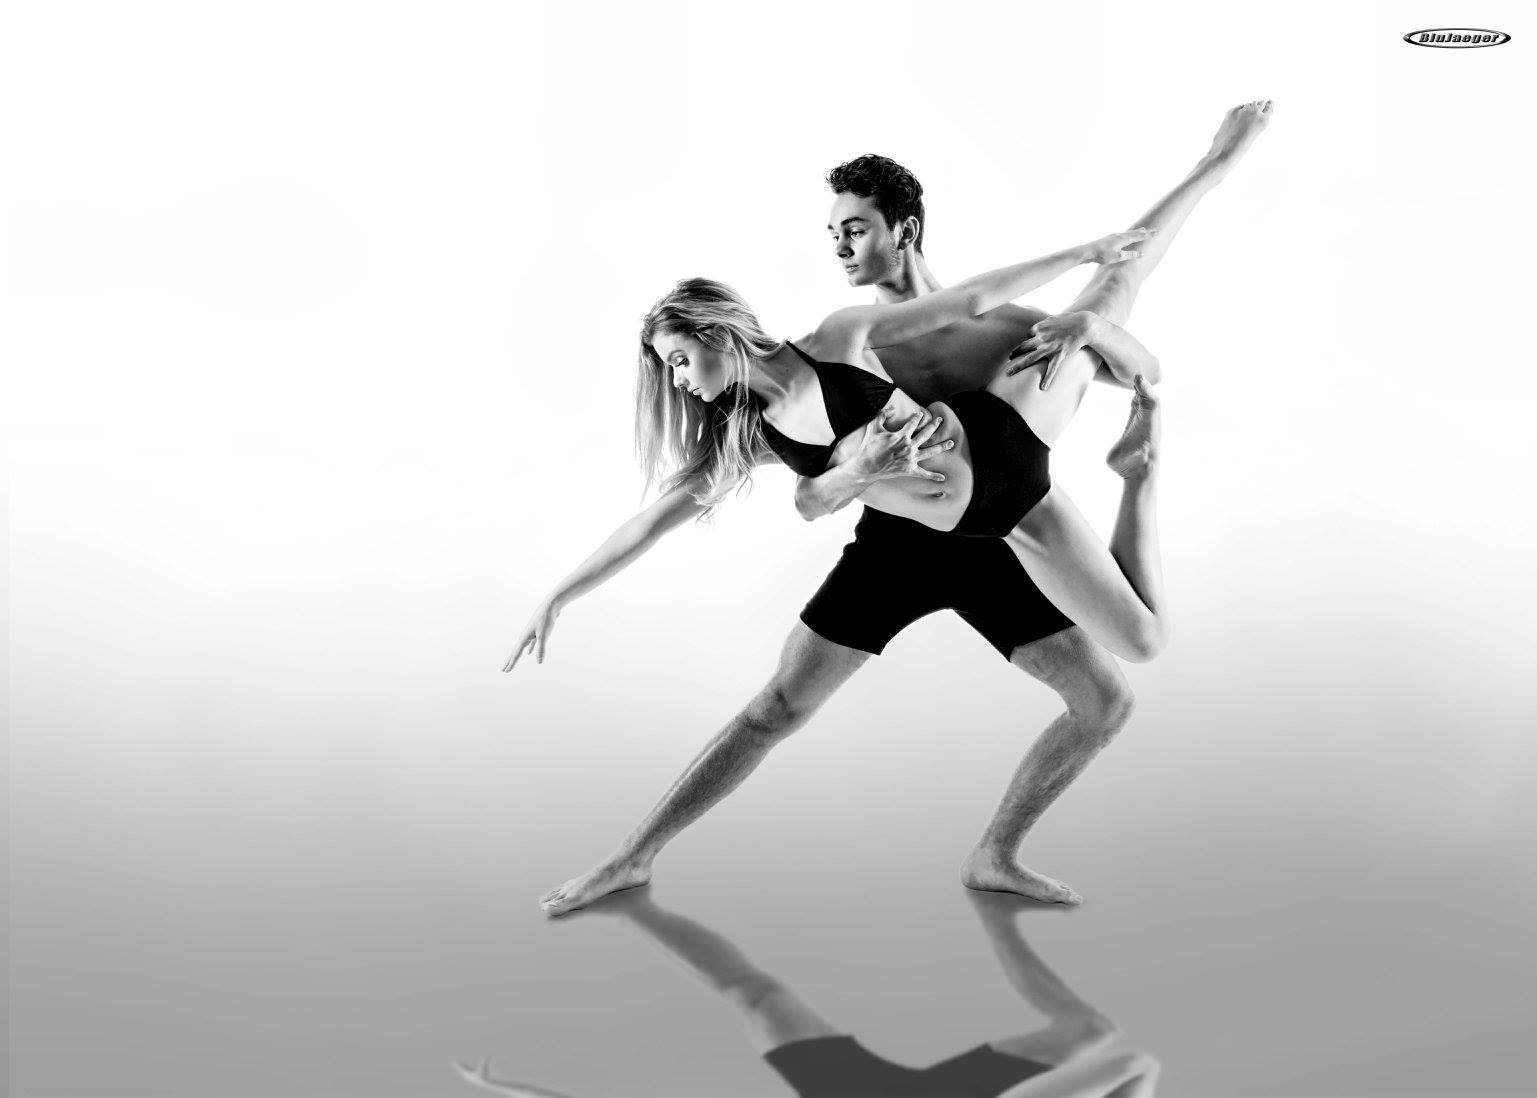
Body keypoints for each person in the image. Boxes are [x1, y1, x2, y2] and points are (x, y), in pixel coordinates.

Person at [513, 102, 1272, 913]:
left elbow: (1062, 329)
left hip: (1005, 490)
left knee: (1121, 672)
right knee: (776, 707)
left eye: (854, 229)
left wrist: (1086, 305)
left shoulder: (893, 332)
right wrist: (561, 591)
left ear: (902, 230)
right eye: (832, 233)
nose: (839, 246)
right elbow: (679, 511)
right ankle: (629, 858)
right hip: (900, 544)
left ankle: (995, 854)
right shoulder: (767, 416)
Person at [454, 889, 1162, 1097]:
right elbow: (1136, 1066)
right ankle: (994, 915)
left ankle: (631, 906)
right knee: (1096, 1034)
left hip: (854, 1091)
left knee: (752, 992)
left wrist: (503, 1088)